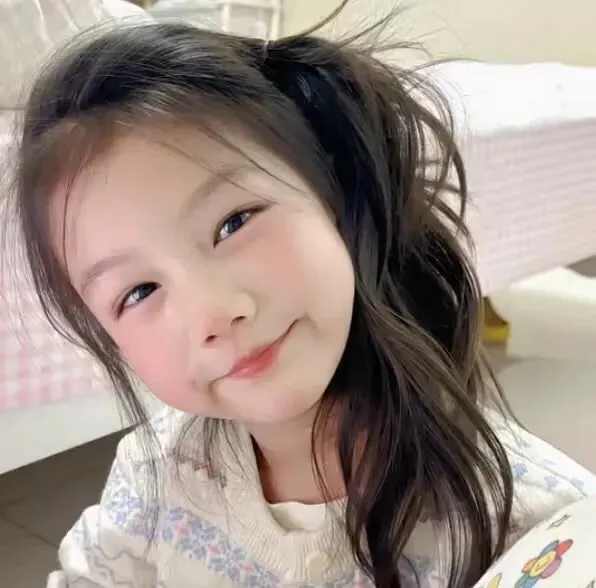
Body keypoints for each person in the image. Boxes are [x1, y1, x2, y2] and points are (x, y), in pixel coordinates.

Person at [8, 3, 596, 586]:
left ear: (330, 192)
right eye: (139, 291)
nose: (214, 313)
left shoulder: (534, 527)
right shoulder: (156, 474)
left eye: (233, 223)